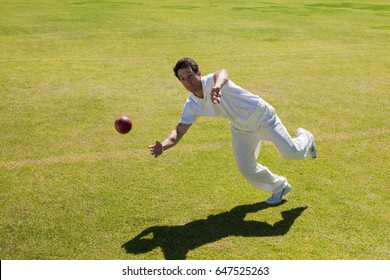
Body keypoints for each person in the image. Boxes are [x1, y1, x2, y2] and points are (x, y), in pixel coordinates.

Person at [148, 57, 316, 205]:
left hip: (262, 117)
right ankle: (279, 186)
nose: (188, 82)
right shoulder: (192, 105)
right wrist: (163, 146)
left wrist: (218, 86)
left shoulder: (211, 81)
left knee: (291, 153)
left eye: (190, 76)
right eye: (183, 79)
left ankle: (306, 138)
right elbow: (179, 131)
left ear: (199, 72)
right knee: (246, 168)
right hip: (240, 128)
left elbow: (222, 72)